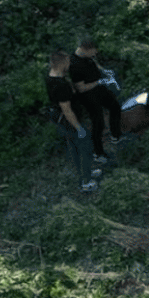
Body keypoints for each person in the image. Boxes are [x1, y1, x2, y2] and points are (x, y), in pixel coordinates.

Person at [45, 50, 101, 192]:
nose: (70, 64)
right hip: (68, 121)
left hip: (60, 118)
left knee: (76, 147)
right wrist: (78, 128)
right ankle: (85, 182)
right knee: (84, 146)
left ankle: (86, 172)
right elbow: (67, 110)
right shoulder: (60, 86)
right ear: (62, 63)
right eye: (68, 62)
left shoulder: (52, 75)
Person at [69, 36, 123, 162]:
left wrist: (105, 71)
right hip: (88, 95)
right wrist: (100, 81)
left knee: (115, 106)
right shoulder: (74, 65)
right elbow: (81, 88)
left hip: (99, 89)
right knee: (98, 122)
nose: (96, 53)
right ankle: (98, 153)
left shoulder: (87, 56)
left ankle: (116, 135)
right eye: (94, 51)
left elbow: (94, 63)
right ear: (85, 49)